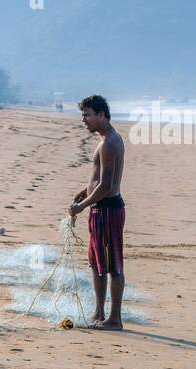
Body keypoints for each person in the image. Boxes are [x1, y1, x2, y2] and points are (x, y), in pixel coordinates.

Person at [70, 95, 125, 330]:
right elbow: (98, 181)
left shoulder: (110, 142)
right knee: (97, 264)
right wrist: (84, 192)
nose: (84, 120)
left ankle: (115, 319)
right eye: (84, 115)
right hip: (99, 209)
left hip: (108, 210)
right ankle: (99, 313)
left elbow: (106, 186)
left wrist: (82, 206)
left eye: (88, 115)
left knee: (113, 266)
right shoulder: (105, 140)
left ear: (102, 115)